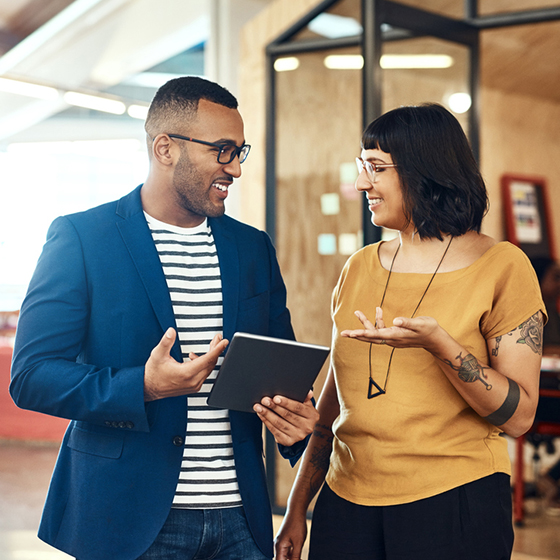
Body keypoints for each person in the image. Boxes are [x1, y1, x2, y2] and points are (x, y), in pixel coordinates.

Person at [10, 76, 318, 560]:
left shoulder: (252, 247)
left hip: (241, 521)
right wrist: (145, 386)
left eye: (240, 151)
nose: (235, 168)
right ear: (165, 148)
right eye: (223, 150)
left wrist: (297, 425)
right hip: (128, 520)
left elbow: (281, 374)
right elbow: (31, 377)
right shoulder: (82, 238)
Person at [275, 103, 546, 560]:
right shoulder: (358, 266)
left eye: (376, 168)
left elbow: (519, 417)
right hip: (348, 503)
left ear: (424, 171)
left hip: (456, 500)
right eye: (362, 167)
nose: (363, 183)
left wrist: (440, 346)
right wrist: (297, 508)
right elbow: (334, 403)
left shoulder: (503, 267)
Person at [530, 256, 560, 512]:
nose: (559, 283)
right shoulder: (530, 311)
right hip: (539, 396)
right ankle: (551, 480)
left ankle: (552, 479)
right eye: (555, 277)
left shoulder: (555, 310)